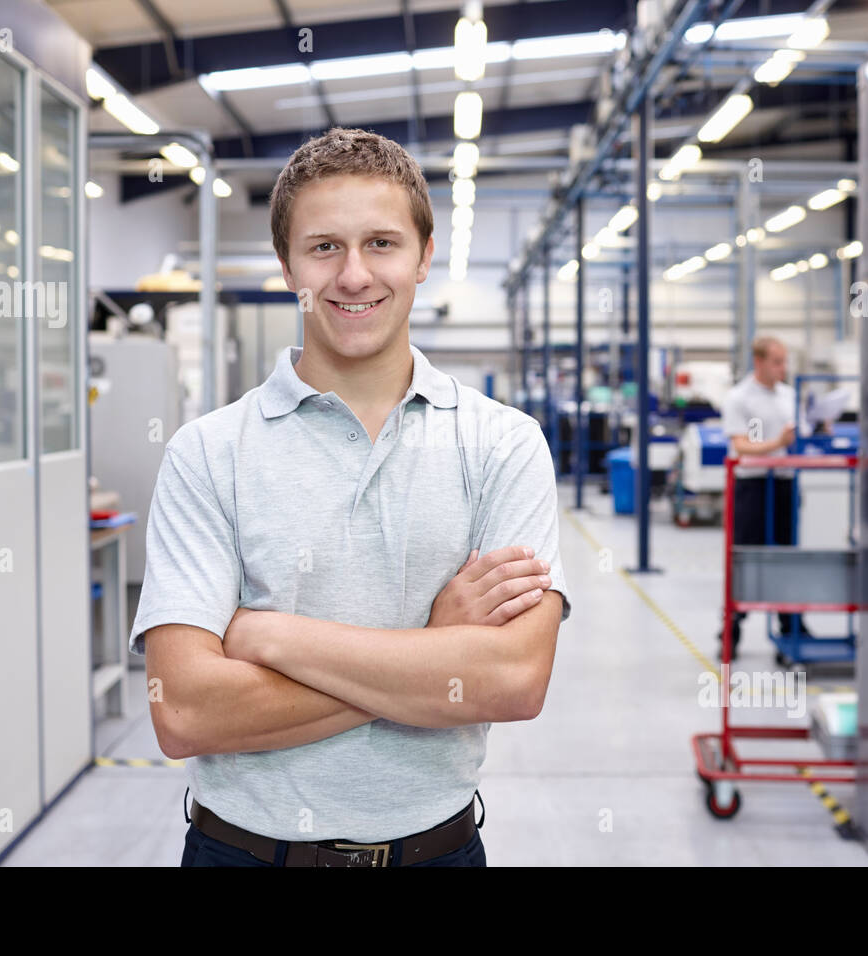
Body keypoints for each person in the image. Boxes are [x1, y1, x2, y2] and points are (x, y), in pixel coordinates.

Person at [129, 127, 572, 867]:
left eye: (382, 244)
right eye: (324, 247)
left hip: (437, 853)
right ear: (286, 265)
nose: (355, 275)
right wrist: (436, 651)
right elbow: (182, 711)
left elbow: (515, 681)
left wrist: (270, 637)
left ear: (425, 257)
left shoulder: (503, 444)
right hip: (243, 854)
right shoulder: (207, 453)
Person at [719, 336, 809, 660]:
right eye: (777, 362)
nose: (783, 368)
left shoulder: (789, 395)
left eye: (785, 362)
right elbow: (741, 445)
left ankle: (791, 627)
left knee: (786, 557)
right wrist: (777, 442)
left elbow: (803, 432)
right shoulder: (739, 398)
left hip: (783, 485)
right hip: (753, 487)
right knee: (743, 558)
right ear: (759, 362)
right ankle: (731, 632)